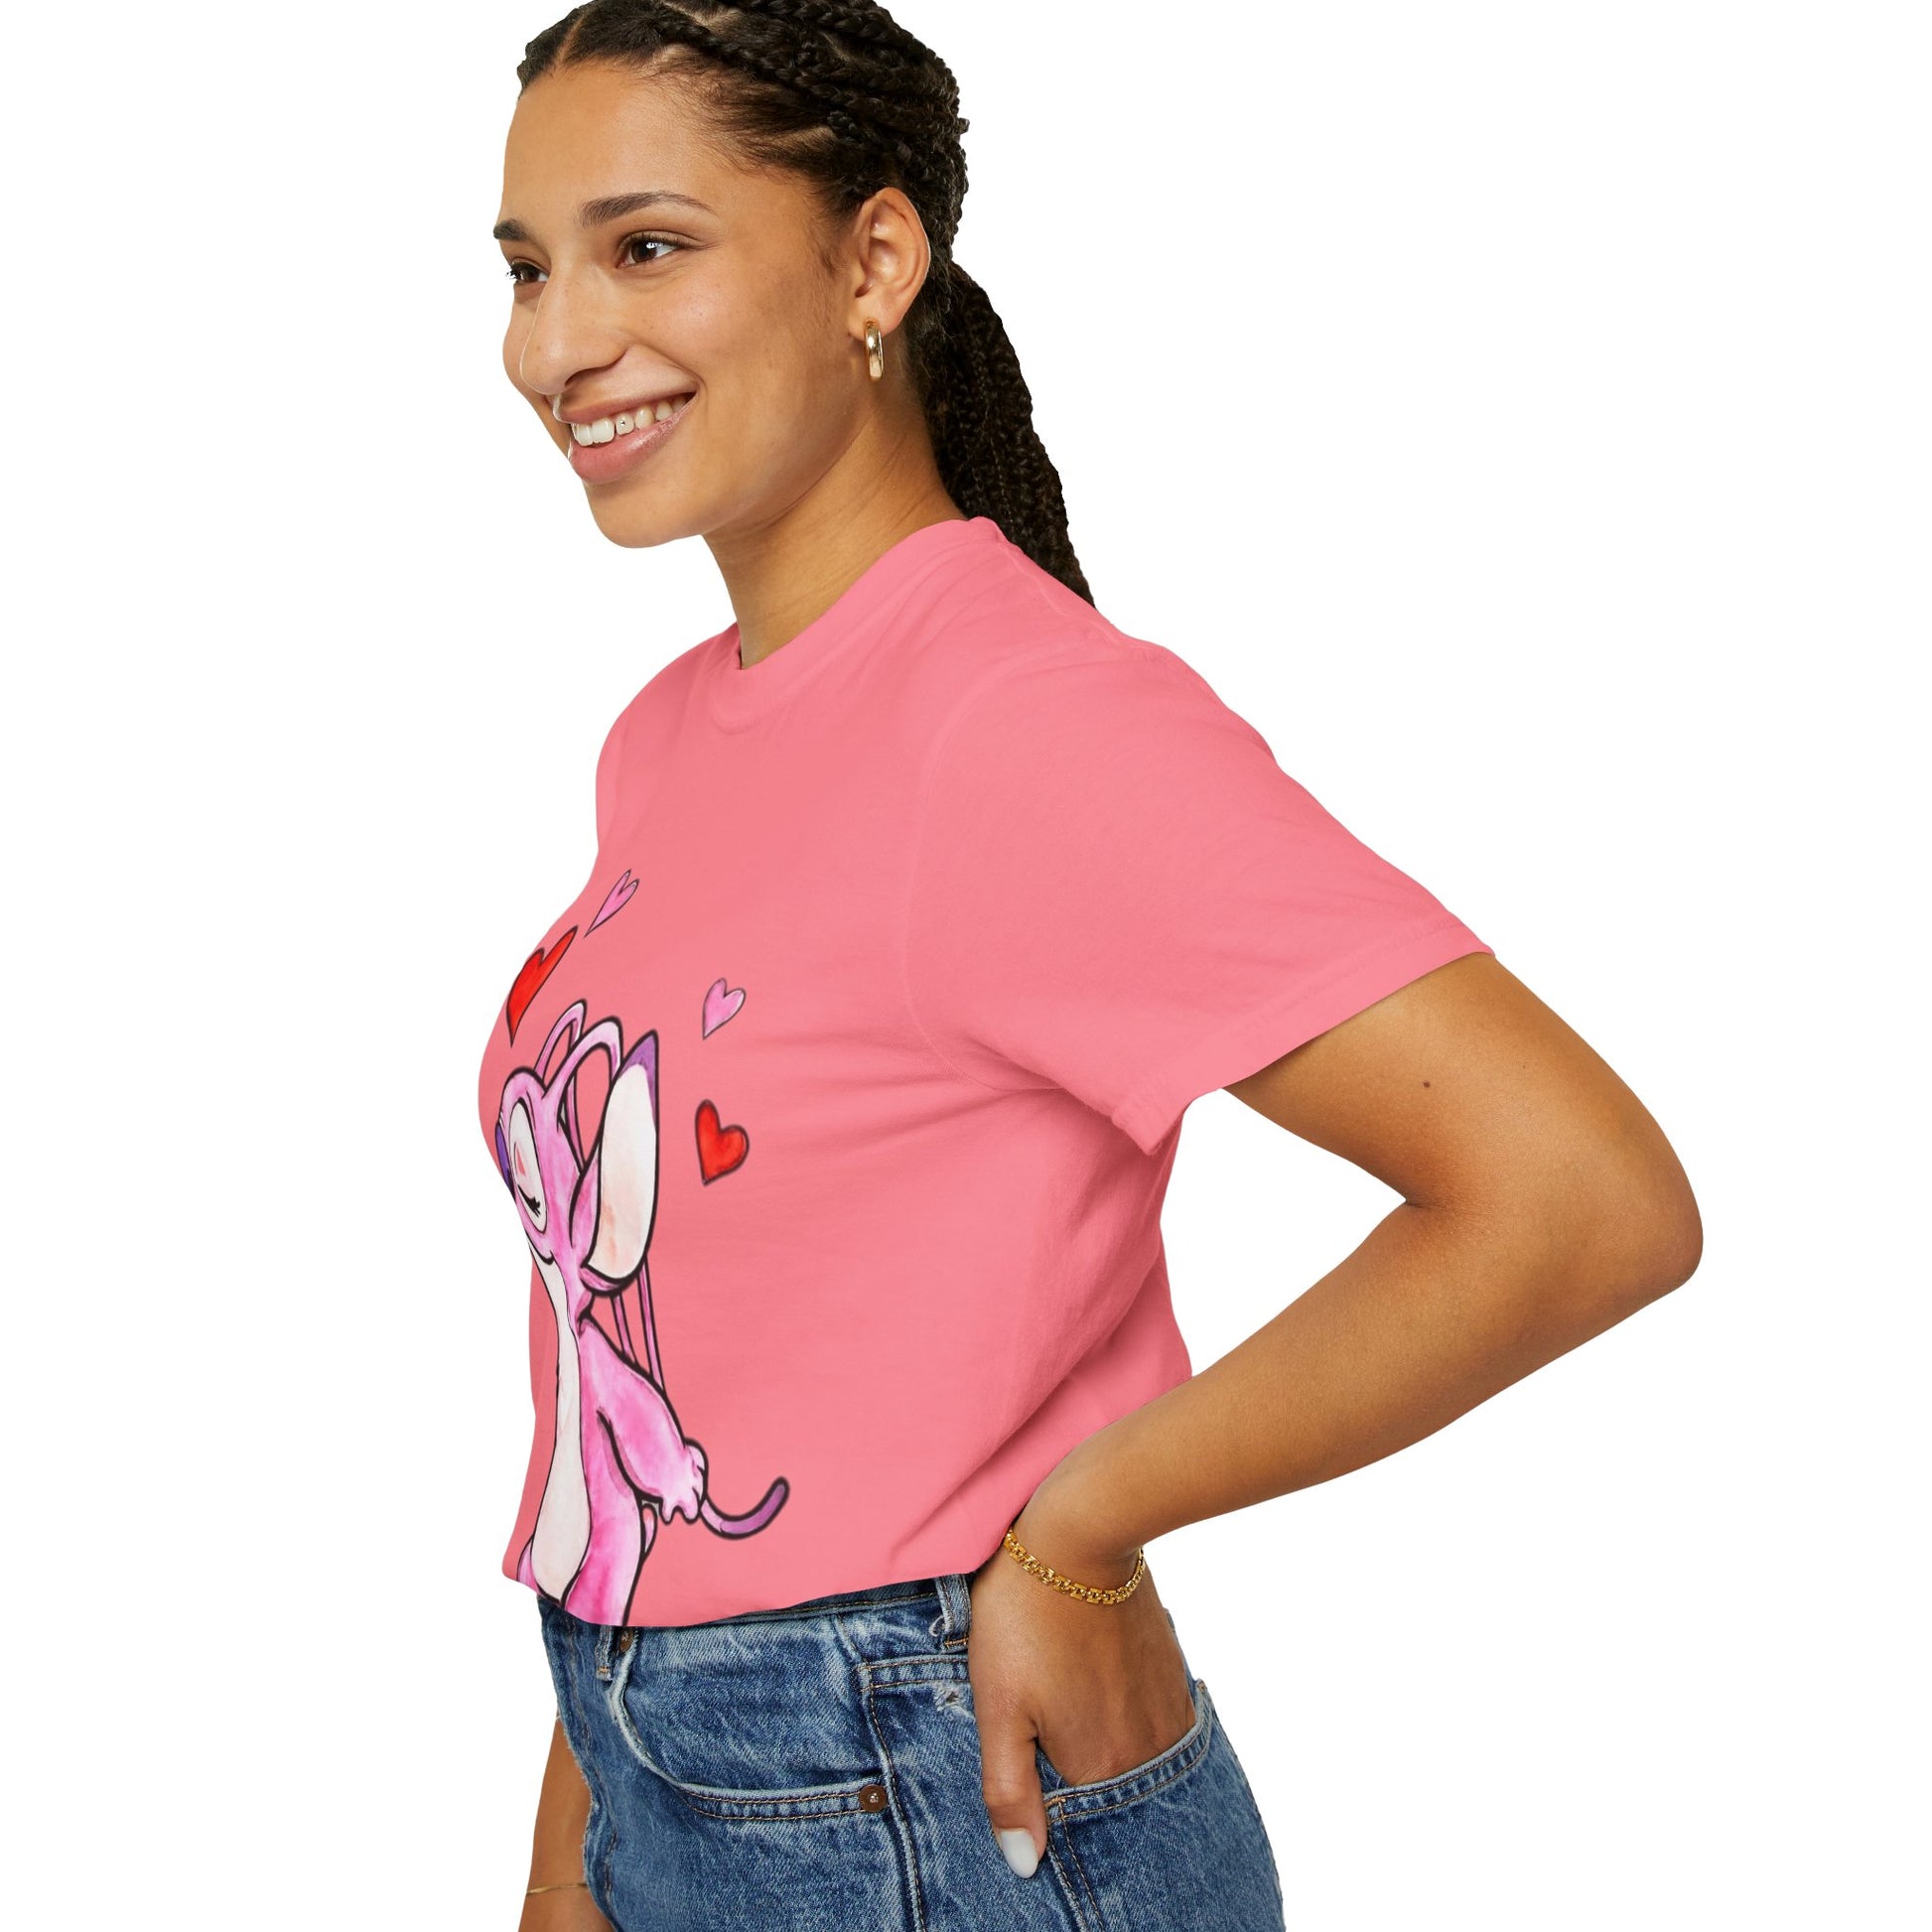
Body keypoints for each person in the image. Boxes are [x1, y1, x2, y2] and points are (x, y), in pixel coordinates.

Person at [478, 6, 1703, 1929]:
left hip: (936, 1800)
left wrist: (1084, 1523)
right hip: (662, 1774)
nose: (557, 344)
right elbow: (667, 1350)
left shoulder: (1016, 720)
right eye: (526, 269)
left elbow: (1580, 1196)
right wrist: (578, 1850)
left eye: (645, 247)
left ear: (875, 262)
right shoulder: (667, 736)